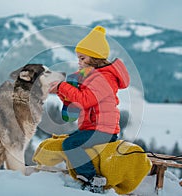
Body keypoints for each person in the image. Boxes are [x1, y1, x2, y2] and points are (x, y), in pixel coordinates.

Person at [49, 25, 130, 193]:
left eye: (83, 58)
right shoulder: (91, 76)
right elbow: (77, 103)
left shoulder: (103, 78)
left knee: (71, 144)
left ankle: (93, 180)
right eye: (78, 58)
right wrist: (60, 91)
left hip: (104, 130)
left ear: (95, 58)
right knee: (68, 140)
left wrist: (63, 87)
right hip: (92, 127)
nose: (79, 62)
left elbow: (85, 100)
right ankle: (79, 174)